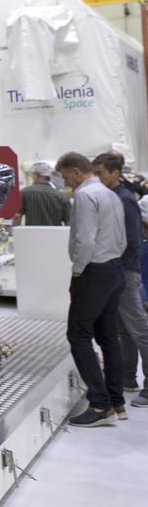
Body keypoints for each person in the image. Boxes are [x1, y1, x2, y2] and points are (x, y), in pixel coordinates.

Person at [56, 151, 126, 427]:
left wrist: (78, 269)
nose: (66, 183)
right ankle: (115, 401)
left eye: (65, 177)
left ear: (75, 171)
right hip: (113, 268)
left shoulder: (85, 196)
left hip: (93, 271)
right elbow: (121, 238)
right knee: (108, 335)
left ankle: (99, 405)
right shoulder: (110, 194)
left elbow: (85, 239)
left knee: (78, 334)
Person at [92, 153, 148, 408]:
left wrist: (118, 266)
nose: (99, 178)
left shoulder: (124, 199)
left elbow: (132, 240)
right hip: (118, 270)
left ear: (115, 173)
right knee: (124, 329)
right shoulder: (114, 197)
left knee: (137, 328)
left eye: (101, 173)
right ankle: (127, 378)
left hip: (125, 271)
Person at [13, 162, 71, 226]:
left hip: (31, 235)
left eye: (33, 175)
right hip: (55, 235)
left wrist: (15, 233)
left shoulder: (25, 192)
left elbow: (17, 216)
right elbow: (69, 222)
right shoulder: (62, 196)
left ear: (36, 176)